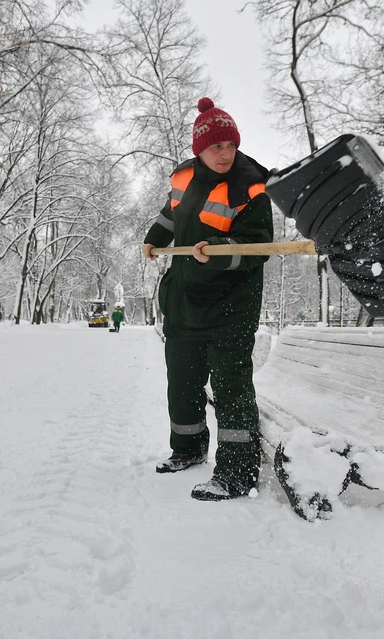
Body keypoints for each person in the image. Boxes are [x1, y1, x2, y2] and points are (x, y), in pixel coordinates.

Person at [141, 97, 273, 501]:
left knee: (232, 391)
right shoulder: (184, 180)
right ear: (199, 148)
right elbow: (171, 214)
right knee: (181, 384)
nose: (225, 154)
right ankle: (188, 449)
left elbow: (258, 247)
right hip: (183, 302)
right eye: (217, 146)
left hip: (229, 307)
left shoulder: (250, 188)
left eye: (231, 145)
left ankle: (237, 472)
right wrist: (154, 239)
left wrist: (216, 248)